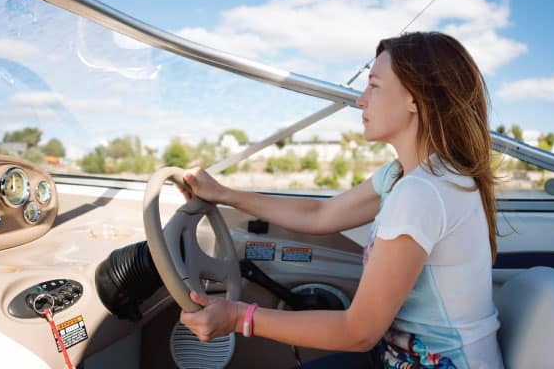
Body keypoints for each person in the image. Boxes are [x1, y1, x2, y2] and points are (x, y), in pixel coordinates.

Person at [179, 32, 503, 368]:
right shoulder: (407, 175)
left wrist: (239, 318)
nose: (361, 100)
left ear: (415, 98)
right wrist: (225, 195)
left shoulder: (423, 191)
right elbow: (321, 214)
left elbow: (359, 332)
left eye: (374, 85)